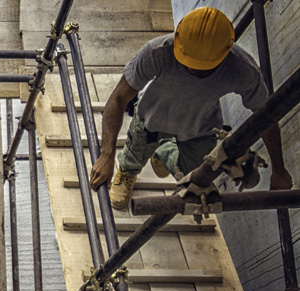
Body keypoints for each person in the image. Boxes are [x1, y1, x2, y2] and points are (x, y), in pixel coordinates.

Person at [89, 7, 293, 209]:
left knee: (196, 177)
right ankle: (128, 171)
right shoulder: (157, 52)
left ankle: (162, 152)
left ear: (224, 53)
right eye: (187, 60)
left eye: (203, 65)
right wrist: (107, 155)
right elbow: (117, 98)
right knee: (135, 153)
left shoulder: (241, 69)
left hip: (199, 128)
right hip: (152, 119)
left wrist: (279, 169)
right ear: (179, 40)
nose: (192, 68)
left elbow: (265, 116)